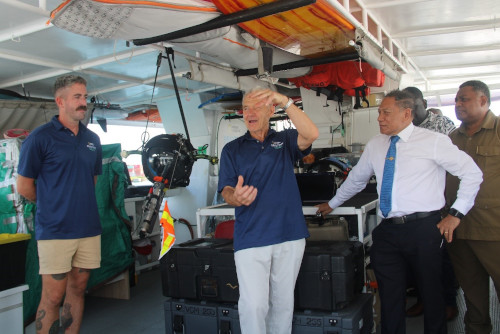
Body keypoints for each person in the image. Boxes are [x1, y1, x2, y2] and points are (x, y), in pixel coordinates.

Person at [316, 90, 482, 334]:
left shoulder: (432, 141)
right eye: (379, 112)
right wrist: (332, 203)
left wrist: (456, 214)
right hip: (388, 230)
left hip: (424, 229)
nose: (380, 118)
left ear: (407, 114)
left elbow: (472, 173)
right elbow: (357, 180)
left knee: (431, 293)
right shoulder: (376, 144)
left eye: (386, 113)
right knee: (391, 296)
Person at [218, 87, 319, 334]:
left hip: (290, 234)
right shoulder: (232, 149)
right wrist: (236, 197)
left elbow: (311, 133)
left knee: (283, 305)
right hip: (252, 236)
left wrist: (285, 101)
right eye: (245, 108)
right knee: (253, 306)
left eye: (256, 107)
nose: (249, 113)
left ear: (271, 110)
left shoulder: (283, 141)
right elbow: (226, 190)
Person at [17, 75, 102, 334]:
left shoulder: (92, 140)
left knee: (78, 290)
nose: (83, 102)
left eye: (85, 96)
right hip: (55, 231)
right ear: (60, 101)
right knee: (53, 297)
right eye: (77, 97)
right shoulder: (39, 138)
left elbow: (93, 180)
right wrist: (53, 207)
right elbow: (24, 186)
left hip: (88, 229)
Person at [445, 80, 500, 334]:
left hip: (493, 230)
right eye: (456, 100)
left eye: (464, 99)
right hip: (459, 230)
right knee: (472, 293)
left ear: (483, 101)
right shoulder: (451, 139)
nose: (458, 104)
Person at [402, 86, 459, 321]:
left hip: (441, 201)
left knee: (442, 257)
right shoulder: (405, 129)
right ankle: (423, 301)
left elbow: (457, 163)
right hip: (414, 202)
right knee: (416, 257)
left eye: (414, 106)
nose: (410, 111)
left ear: (423, 102)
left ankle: (448, 302)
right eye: (406, 108)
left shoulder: (443, 125)